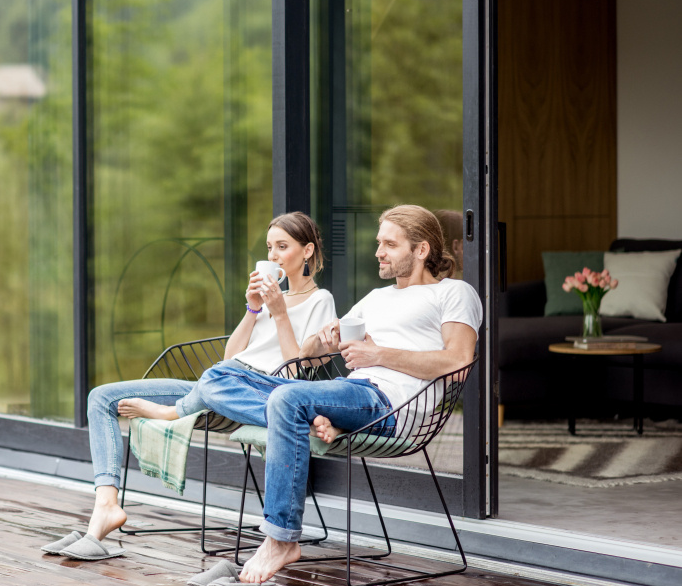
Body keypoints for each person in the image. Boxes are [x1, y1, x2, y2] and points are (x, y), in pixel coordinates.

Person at [188, 205, 482, 583]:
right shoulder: (376, 298)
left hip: (389, 404)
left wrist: (378, 354)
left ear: (421, 250)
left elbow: (458, 360)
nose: (378, 252)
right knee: (218, 377)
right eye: (379, 243)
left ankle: (281, 539)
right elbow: (307, 354)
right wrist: (322, 340)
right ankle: (303, 419)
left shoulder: (454, 293)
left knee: (286, 401)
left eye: (390, 244)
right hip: (348, 392)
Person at [42, 212, 337, 560]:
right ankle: (105, 506)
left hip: (264, 391)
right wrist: (254, 310)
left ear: (307, 251)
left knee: (216, 378)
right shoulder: (267, 300)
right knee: (101, 397)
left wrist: (281, 312)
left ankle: (175, 412)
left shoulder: (321, 301)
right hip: (222, 383)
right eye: (269, 247)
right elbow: (231, 357)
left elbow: (294, 375)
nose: (272, 256)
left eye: (282, 247)